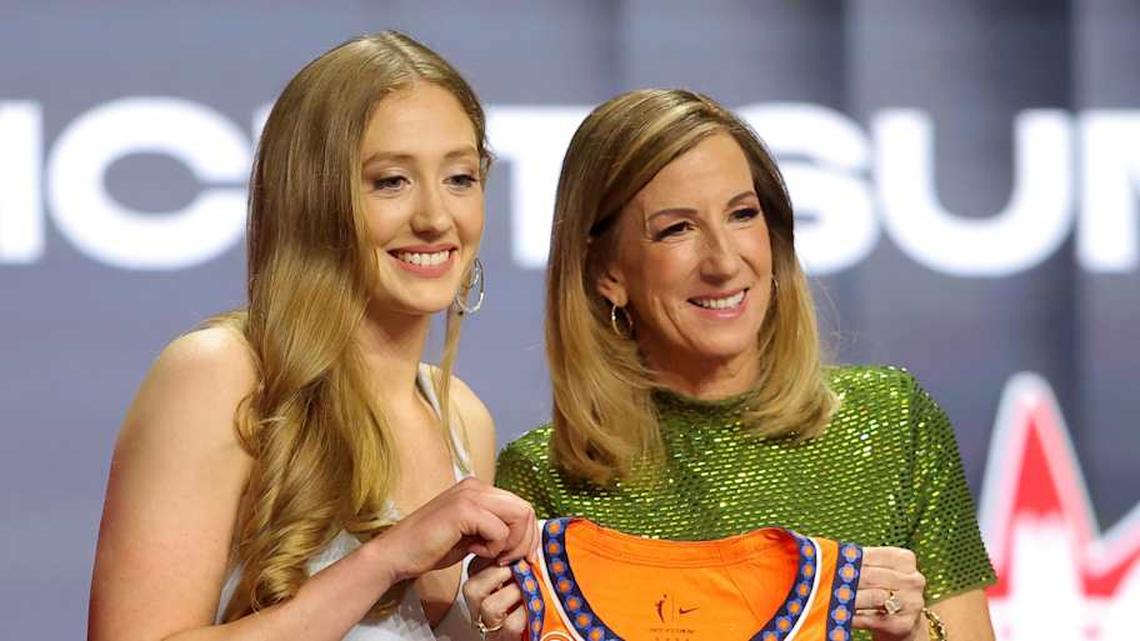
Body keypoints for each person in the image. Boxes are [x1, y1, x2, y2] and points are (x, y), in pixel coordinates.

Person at [463, 89, 996, 641]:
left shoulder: (892, 423)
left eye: (743, 215)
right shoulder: (543, 480)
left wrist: (914, 635)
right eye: (677, 229)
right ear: (606, 272)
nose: (723, 261)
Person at [89, 31, 536, 641]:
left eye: (459, 178)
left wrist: (476, 624)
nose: (436, 218)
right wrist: (383, 560)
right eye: (389, 182)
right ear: (313, 197)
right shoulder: (221, 375)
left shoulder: (462, 418)